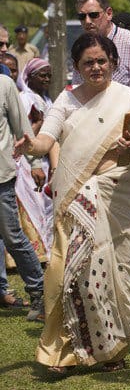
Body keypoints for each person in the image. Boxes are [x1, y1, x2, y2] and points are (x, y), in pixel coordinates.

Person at [15, 33, 130, 374]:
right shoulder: (67, 99)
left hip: (118, 199)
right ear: (76, 67)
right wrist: (30, 146)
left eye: (102, 61)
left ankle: (112, 351)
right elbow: (47, 138)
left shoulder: (128, 98)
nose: (96, 67)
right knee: (63, 275)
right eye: (88, 62)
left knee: (117, 275)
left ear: (114, 63)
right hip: (75, 200)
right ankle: (59, 353)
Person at [0, 72, 45, 320]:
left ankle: (39, 293)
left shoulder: (4, 84)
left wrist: (36, 161)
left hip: (1, 176)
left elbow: (22, 128)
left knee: (12, 237)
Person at [17, 58, 56, 262]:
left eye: (49, 75)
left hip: (45, 159)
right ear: (30, 77)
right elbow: (24, 135)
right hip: (29, 161)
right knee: (35, 204)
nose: (47, 79)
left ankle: (46, 249)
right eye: (42, 75)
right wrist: (36, 164)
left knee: (47, 205)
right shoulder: (25, 99)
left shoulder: (46, 99)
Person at [73, 0, 130, 86]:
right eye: (81, 16)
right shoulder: (80, 47)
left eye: (93, 15)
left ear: (109, 13)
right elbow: (77, 87)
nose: (87, 21)